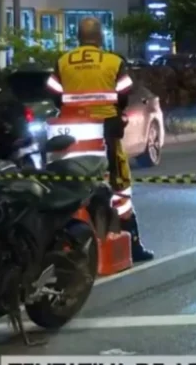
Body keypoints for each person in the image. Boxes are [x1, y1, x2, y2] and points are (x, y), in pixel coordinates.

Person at [45, 17, 154, 262]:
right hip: (104, 134)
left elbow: (54, 93)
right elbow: (123, 95)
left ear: (79, 38)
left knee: (70, 185)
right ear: (101, 37)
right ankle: (131, 242)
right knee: (119, 186)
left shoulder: (63, 61)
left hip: (70, 135)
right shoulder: (114, 61)